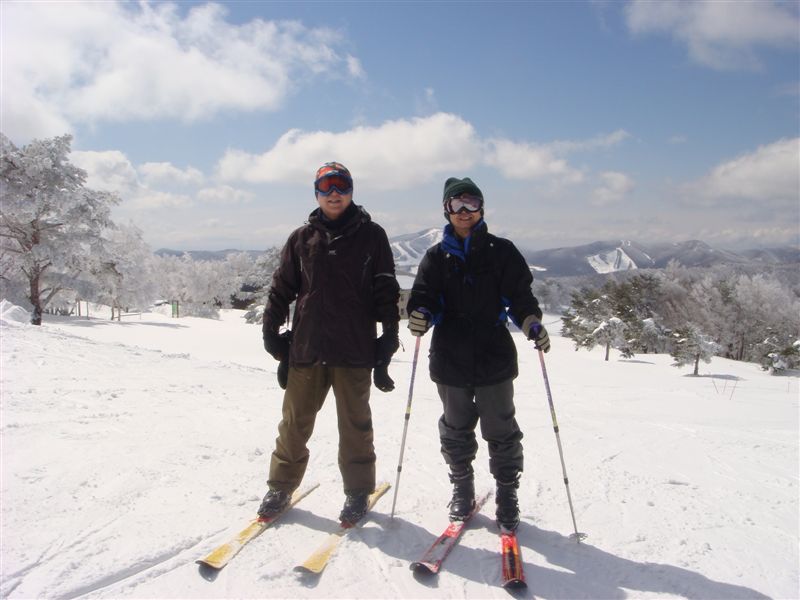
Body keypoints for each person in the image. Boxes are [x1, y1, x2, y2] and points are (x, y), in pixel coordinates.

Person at [259, 162, 400, 524]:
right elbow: (281, 289)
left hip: (354, 349)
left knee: (355, 426)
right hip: (307, 348)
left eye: (341, 185)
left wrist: (389, 336)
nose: (334, 193)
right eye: (326, 186)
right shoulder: (301, 238)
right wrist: (271, 332)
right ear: (316, 193)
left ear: (351, 191)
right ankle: (280, 487)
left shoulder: (373, 236)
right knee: (294, 424)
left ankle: (357, 491)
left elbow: (386, 290)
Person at [406, 176, 550, 531]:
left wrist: (531, 322)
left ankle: (507, 492)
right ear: (446, 210)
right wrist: (421, 314)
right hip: (450, 357)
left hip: (493, 355)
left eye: (471, 203)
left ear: (481, 208)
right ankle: (462, 487)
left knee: (501, 428)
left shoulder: (502, 251)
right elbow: (424, 298)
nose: (464, 210)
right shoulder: (435, 257)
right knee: (455, 427)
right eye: (456, 204)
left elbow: (520, 297)